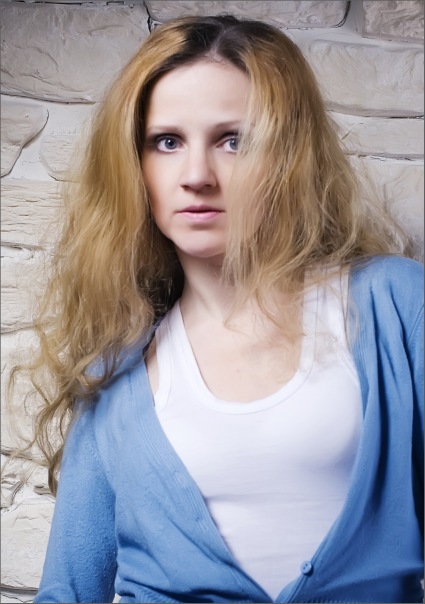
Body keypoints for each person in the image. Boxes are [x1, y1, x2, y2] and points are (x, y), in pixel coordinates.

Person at [12, 13, 422, 604]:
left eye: (234, 140)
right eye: (167, 142)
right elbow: (67, 592)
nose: (197, 176)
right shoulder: (116, 376)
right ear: (134, 165)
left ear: (289, 155)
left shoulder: (396, 305)